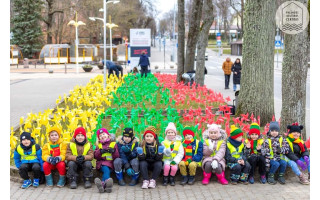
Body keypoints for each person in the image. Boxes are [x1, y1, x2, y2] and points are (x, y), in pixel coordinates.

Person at [94, 128, 119, 193]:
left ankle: (103, 185)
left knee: (107, 171)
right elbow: (96, 157)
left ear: (108, 135)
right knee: (106, 170)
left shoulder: (113, 144)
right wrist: (100, 152)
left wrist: (113, 151)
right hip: (102, 164)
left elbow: (117, 156)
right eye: (100, 136)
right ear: (99, 138)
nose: (102, 136)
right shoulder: (99, 145)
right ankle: (107, 185)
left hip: (111, 164)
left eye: (104, 134)